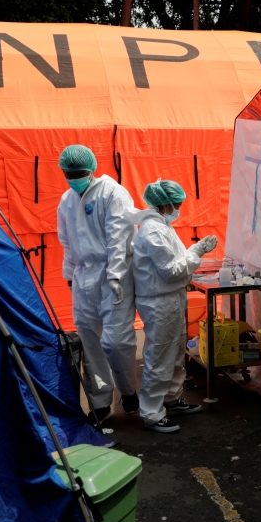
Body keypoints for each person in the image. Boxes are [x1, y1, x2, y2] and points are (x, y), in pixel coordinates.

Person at [56, 144, 139, 424]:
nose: (73, 177)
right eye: (69, 173)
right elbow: (66, 241)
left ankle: (128, 391)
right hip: (83, 277)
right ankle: (101, 402)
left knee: (116, 341)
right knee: (90, 342)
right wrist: (70, 275)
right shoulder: (66, 200)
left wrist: (115, 274)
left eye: (78, 172)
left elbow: (120, 237)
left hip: (112, 275)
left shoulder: (113, 193)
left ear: (91, 170)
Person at [133, 179, 217, 433]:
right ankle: (152, 412)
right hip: (160, 300)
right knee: (160, 356)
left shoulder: (162, 227)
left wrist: (191, 255)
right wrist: (196, 252)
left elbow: (173, 264)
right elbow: (170, 271)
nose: (179, 208)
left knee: (175, 351)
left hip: (170, 297)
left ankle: (170, 398)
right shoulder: (153, 231)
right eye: (177, 204)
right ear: (164, 204)